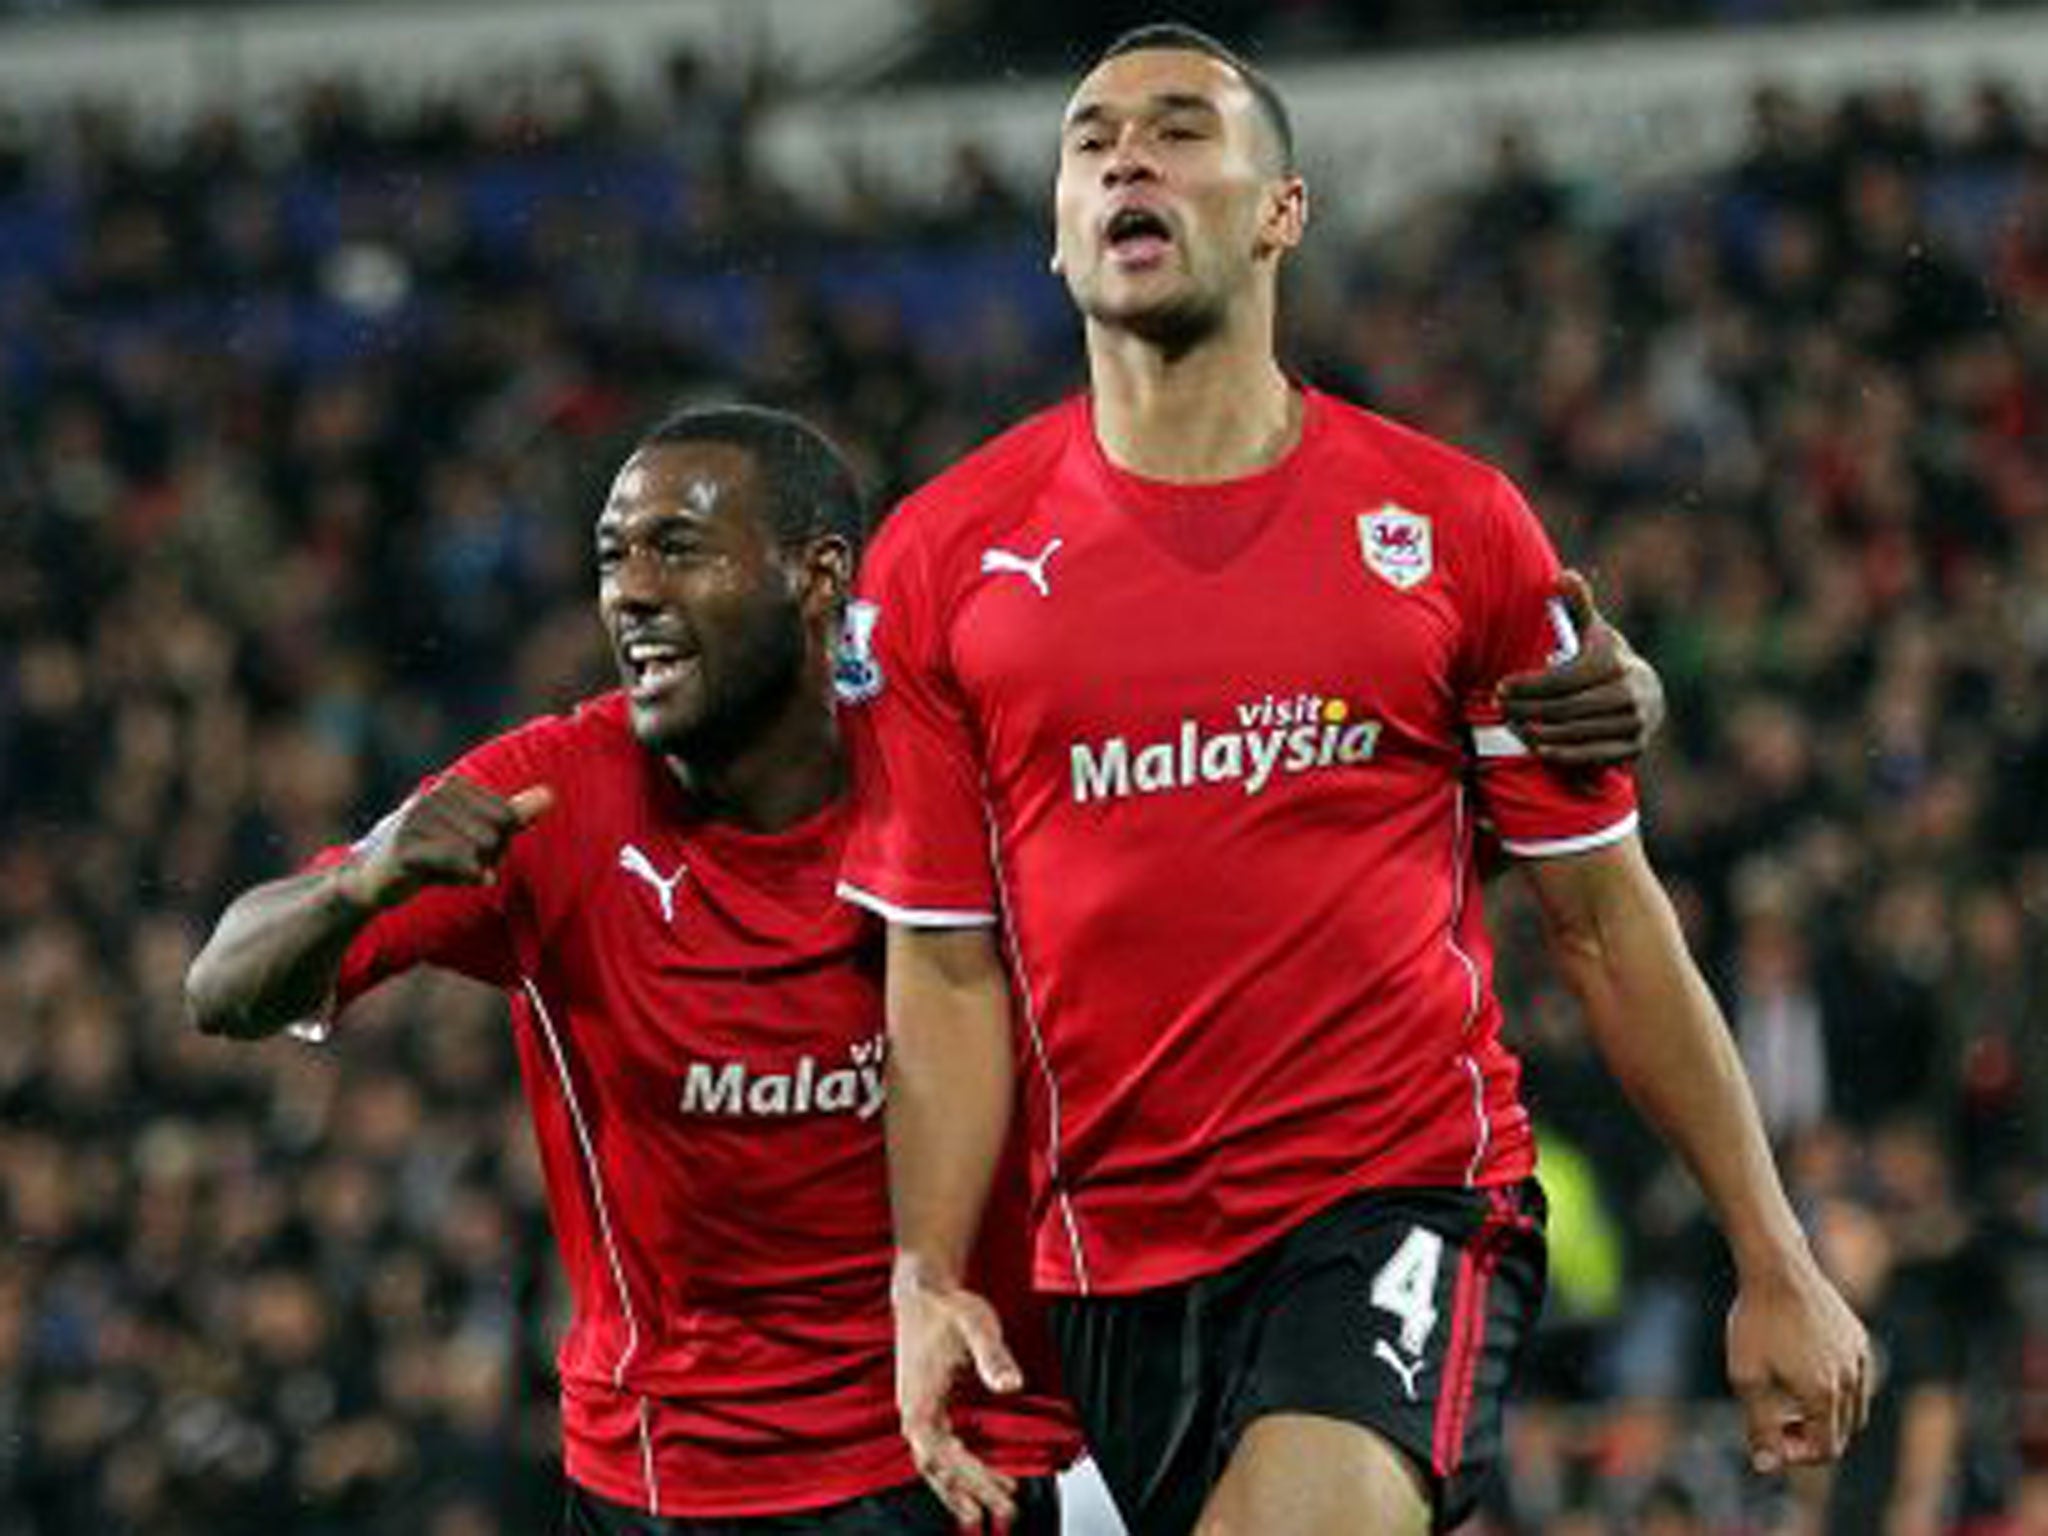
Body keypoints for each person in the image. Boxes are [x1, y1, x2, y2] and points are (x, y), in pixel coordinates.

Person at [834, 23, 1872, 1536]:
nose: (1128, 154)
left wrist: (1772, 1255)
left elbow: (1603, 920)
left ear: (1281, 212)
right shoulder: (939, 561)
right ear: (1058, 235)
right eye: (1089, 138)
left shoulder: (1451, 527)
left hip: (1398, 1198)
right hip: (1106, 1264)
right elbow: (945, 971)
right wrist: (926, 1272)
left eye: (1183, 128)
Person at [183, 406, 1081, 1534]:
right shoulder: (555, 795)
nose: (631, 591)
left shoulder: (955, 766)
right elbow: (220, 991)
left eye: (680, 547)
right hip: (670, 1480)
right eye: (613, 556)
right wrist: (357, 883)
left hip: (952, 1451)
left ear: (818, 576)